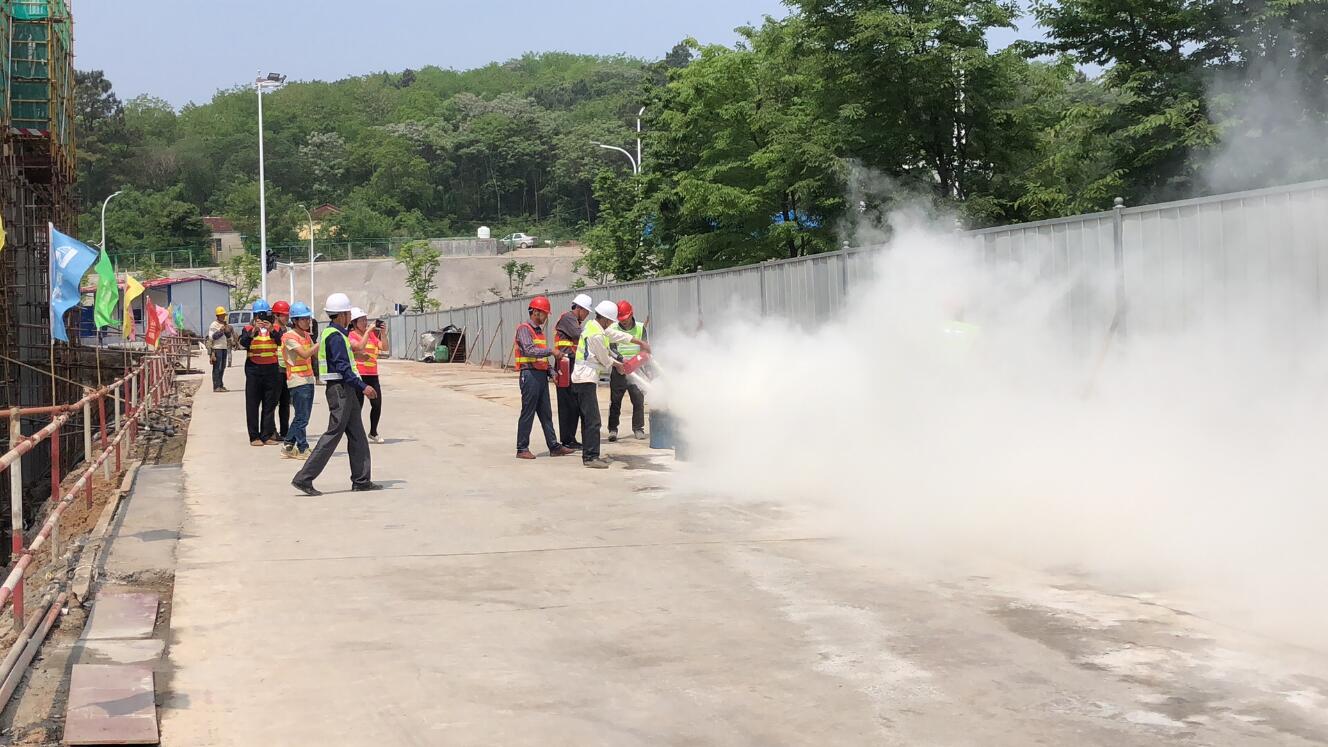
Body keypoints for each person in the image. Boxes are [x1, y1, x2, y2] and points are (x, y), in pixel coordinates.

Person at [292, 293, 380, 496]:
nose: (349, 316)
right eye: (348, 313)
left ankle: (361, 480)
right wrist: (363, 386)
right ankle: (304, 478)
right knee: (333, 434)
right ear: (341, 315)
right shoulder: (335, 336)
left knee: (358, 435)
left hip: (344, 389)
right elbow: (342, 367)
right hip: (340, 390)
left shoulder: (334, 333)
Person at [571, 300, 650, 469]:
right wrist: (620, 365)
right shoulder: (597, 335)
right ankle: (591, 457)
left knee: (588, 420)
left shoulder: (594, 326)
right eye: (611, 321)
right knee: (593, 421)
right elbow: (604, 359)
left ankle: (588, 454)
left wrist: (639, 342)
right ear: (606, 319)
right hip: (585, 378)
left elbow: (616, 335)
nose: (612, 324)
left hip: (583, 378)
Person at [513, 296, 576, 460]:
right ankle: (522, 448)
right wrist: (551, 351)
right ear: (535, 312)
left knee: (546, 413)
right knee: (528, 412)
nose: (546, 317)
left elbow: (541, 358)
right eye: (545, 314)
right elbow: (529, 350)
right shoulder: (524, 329)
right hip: (529, 375)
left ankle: (554, 446)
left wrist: (551, 372)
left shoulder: (539, 332)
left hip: (540, 376)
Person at [239, 299, 285, 446]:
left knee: (269, 404)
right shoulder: (248, 329)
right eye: (259, 315)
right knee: (252, 404)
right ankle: (254, 437)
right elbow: (243, 343)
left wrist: (272, 331)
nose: (262, 318)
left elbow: (281, 342)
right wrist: (253, 331)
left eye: (264, 315)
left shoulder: (275, 329)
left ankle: (267, 435)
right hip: (253, 370)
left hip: (271, 370)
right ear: (254, 316)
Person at [554, 293, 593, 451]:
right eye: (586, 312)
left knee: (574, 404)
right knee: (566, 404)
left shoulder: (574, 320)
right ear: (579, 308)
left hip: (571, 363)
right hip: (565, 365)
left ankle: (571, 438)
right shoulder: (568, 318)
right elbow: (580, 335)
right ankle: (567, 439)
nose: (587, 315)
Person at [281, 302, 319, 459]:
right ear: (295, 320)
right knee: (302, 417)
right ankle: (303, 448)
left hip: (308, 379)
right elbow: (304, 354)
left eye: (308, 318)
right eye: (303, 319)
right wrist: (320, 342)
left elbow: (315, 355)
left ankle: (288, 445)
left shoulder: (306, 336)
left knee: (303, 416)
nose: (307, 321)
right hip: (297, 381)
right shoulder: (289, 337)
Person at [608, 300, 648, 442]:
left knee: (638, 400)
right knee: (615, 401)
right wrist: (621, 360)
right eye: (621, 319)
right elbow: (611, 348)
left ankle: (638, 428)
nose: (623, 321)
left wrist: (639, 363)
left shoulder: (640, 328)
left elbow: (644, 348)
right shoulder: (613, 327)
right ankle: (613, 429)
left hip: (636, 369)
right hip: (619, 369)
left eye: (625, 318)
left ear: (631, 314)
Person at [348, 309, 389, 444]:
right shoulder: (351, 336)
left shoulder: (371, 335)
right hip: (359, 375)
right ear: (354, 323)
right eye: (362, 320)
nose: (365, 323)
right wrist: (368, 332)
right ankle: (356, 434)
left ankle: (373, 432)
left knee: (377, 404)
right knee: (358, 406)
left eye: (366, 320)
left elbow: (384, 347)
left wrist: (383, 334)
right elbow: (360, 347)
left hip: (372, 374)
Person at [272, 300, 292, 441]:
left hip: (286, 369)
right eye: (284, 315)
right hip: (275, 369)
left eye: (287, 315)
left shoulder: (288, 330)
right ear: (276, 315)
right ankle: (272, 431)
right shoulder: (272, 330)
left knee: (285, 403)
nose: (286, 317)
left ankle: (285, 431)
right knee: (273, 402)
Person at [206, 306, 236, 392]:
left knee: (222, 367)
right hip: (216, 348)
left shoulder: (224, 324)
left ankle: (221, 385)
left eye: (224, 315)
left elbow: (228, 336)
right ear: (218, 316)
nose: (223, 317)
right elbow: (213, 337)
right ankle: (216, 386)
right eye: (222, 315)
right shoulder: (214, 325)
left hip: (224, 347)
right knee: (217, 368)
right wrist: (221, 331)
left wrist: (227, 330)